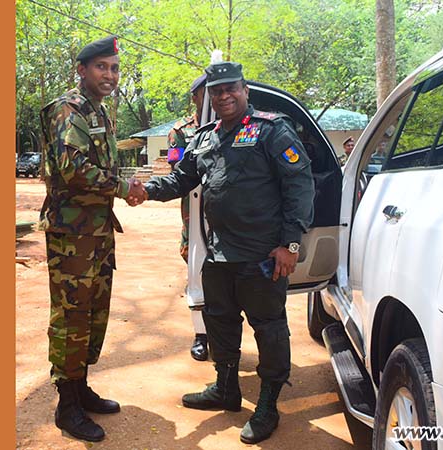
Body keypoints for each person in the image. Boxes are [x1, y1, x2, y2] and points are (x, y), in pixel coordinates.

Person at [128, 61, 315, 444]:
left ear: (245, 90)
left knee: (269, 327)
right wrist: (147, 191)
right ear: (210, 97)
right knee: (220, 322)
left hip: (263, 254)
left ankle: (267, 403)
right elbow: (183, 178)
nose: (225, 96)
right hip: (219, 253)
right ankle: (226, 389)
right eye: (217, 91)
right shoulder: (206, 136)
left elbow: (300, 185)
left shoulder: (271, 130)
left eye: (232, 88)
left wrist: (290, 244)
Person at [39, 35, 146, 442]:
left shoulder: (101, 111)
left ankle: (80, 387)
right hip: (71, 234)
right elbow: (74, 169)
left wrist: (120, 189)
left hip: (96, 230)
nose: (110, 75)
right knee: (71, 314)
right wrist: (123, 188)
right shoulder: (68, 109)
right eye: (102, 67)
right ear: (82, 70)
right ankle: (67, 405)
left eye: (115, 68)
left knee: (95, 310)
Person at [166, 74, 209, 362]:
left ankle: (224, 334)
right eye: (205, 92)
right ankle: (201, 335)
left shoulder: (235, 125)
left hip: (230, 214)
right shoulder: (180, 131)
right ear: (195, 97)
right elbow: (176, 168)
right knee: (197, 270)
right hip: (194, 211)